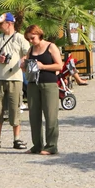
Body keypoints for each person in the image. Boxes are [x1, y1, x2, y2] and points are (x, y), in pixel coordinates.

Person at [0, 12, 30, 151]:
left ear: (9, 24)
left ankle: (16, 139)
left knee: (14, 108)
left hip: (15, 79)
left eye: (1, 23)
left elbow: (29, 53)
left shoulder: (20, 38)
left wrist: (23, 61)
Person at [22, 25, 62, 155]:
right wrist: (23, 66)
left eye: (32, 38)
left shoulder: (51, 47)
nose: (31, 41)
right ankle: (37, 145)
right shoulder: (31, 49)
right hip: (33, 84)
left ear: (39, 34)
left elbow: (59, 66)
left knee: (50, 116)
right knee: (34, 116)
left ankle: (51, 146)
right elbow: (26, 66)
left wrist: (43, 66)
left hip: (49, 84)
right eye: (29, 39)